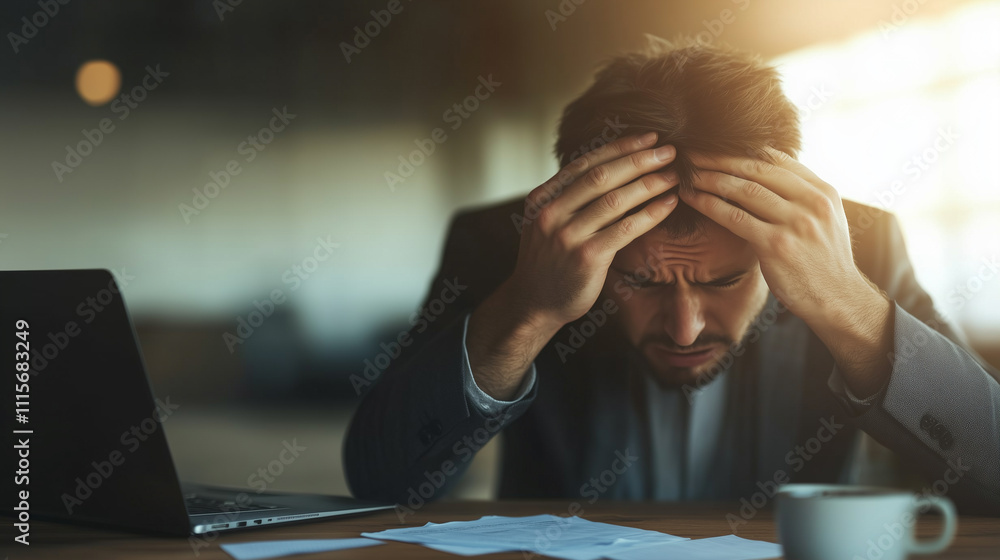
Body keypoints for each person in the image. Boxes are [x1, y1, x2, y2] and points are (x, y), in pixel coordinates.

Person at [344, 38, 1000, 515]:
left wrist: (852, 309)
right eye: (641, 281)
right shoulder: (506, 247)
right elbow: (382, 482)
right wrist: (527, 309)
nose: (685, 328)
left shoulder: (859, 249)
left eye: (725, 281)